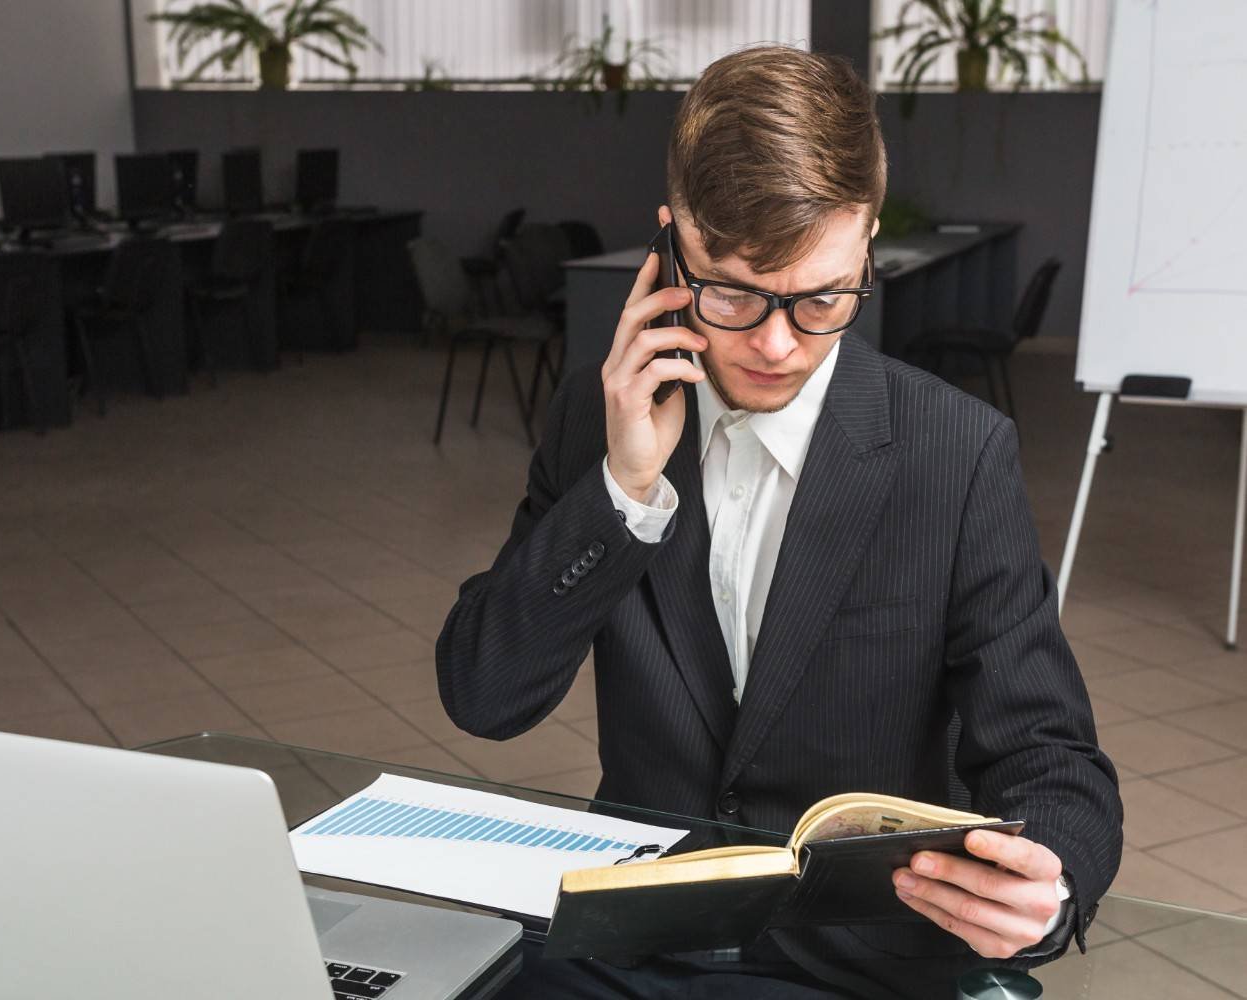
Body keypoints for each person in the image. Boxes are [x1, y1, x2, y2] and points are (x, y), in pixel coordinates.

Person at [435, 45, 1122, 1000]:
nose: (773, 341)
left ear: (868, 238)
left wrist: (1049, 883)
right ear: (673, 243)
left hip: (865, 965)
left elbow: (1049, 752)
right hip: (637, 946)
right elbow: (483, 696)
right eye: (733, 290)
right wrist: (622, 488)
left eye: (822, 297)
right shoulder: (597, 426)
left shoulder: (954, 453)